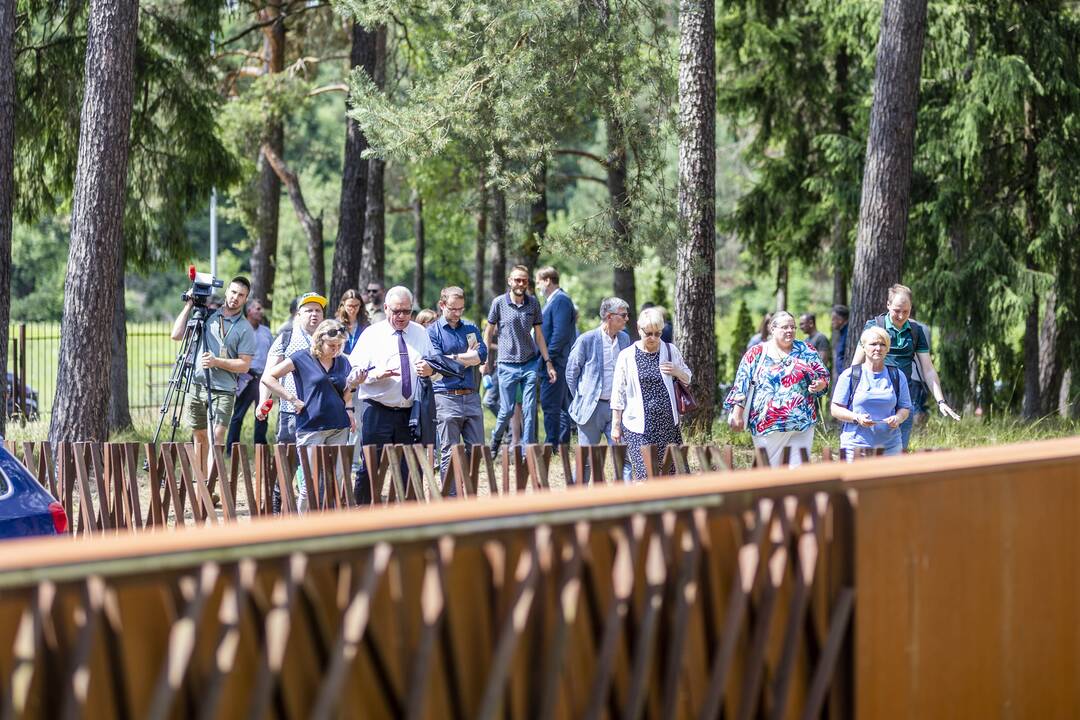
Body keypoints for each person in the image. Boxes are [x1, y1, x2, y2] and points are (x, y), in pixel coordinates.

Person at [348, 286, 436, 504]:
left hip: (410, 413)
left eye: (406, 311)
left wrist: (430, 371)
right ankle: (363, 513)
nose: (401, 317)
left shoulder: (420, 332)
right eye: (396, 311)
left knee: (411, 466)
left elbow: (435, 367)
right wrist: (373, 375)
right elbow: (352, 373)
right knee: (370, 465)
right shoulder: (371, 334)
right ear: (386, 308)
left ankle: (407, 516)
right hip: (377, 409)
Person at [261, 320, 359, 512]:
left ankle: (329, 525)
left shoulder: (342, 361)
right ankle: (302, 528)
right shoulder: (301, 358)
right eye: (332, 345)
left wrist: (354, 386)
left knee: (336, 479)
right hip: (311, 427)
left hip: (338, 426)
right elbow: (268, 377)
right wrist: (292, 399)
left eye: (339, 346)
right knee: (309, 483)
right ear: (320, 340)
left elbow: (345, 395)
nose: (336, 350)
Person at [851, 284, 960, 450]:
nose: (901, 316)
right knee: (871, 456)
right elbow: (856, 365)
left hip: (903, 402)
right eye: (896, 310)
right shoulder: (874, 327)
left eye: (906, 311)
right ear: (888, 305)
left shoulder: (916, 331)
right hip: (874, 399)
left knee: (898, 454)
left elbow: (928, 370)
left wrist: (941, 401)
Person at [724, 311, 830, 468]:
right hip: (768, 424)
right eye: (785, 327)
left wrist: (821, 384)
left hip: (802, 423)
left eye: (793, 327)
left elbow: (823, 376)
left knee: (798, 472)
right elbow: (741, 384)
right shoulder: (757, 352)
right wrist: (737, 414)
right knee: (768, 471)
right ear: (772, 329)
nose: (790, 331)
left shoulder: (806, 350)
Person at [170, 276, 256, 470]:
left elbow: (244, 365)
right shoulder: (207, 316)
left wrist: (218, 362)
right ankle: (200, 483)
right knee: (199, 436)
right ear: (227, 292)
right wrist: (189, 305)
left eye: (241, 295)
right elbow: (176, 335)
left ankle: (209, 487)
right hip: (197, 385)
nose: (235, 297)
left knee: (216, 437)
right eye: (233, 292)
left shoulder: (245, 328)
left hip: (223, 390)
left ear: (246, 299)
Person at [611, 308, 692, 481]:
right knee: (645, 476)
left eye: (658, 333)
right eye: (649, 334)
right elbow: (618, 392)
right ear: (639, 329)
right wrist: (616, 425)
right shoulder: (627, 356)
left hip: (668, 426)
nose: (654, 338)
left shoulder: (670, 350)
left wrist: (677, 371)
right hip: (637, 427)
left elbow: (688, 378)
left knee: (673, 475)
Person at [485, 265, 558, 454]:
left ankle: (527, 451)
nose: (521, 284)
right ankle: (496, 439)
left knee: (530, 408)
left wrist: (548, 361)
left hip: (529, 363)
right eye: (517, 280)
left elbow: (539, 335)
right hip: (507, 364)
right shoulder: (499, 303)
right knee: (506, 410)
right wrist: (484, 359)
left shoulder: (533, 303)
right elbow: (489, 331)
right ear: (510, 281)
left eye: (524, 280)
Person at [566, 297, 632, 483]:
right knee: (586, 460)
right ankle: (575, 502)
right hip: (591, 410)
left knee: (624, 458)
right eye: (624, 315)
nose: (627, 319)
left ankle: (628, 503)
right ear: (610, 316)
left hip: (617, 409)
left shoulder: (625, 339)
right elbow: (571, 373)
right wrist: (582, 398)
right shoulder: (586, 340)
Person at [428, 287, 488, 482]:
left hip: (471, 395)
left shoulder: (470, 329)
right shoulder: (432, 332)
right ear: (442, 305)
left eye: (461, 309)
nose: (457, 313)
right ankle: (450, 498)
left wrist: (452, 358)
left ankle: (468, 496)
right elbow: (437, 361)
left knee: (477, 449)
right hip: (445, 396)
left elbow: (481, 356)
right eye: (453, 309)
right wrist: (465, 358)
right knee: (449, 452)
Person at [830, 326, 912, 458]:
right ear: (863, 347)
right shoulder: (850, 375)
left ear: (888, 348)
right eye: (873, 344)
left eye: (882, 344)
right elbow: (835, 409)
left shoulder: (897, 375)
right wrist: (856, 418)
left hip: (891, 447)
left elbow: (905, 408)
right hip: (855, 448)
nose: (878, 348)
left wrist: (898, 418)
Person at [257, 292, 326, 445]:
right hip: (291, 411)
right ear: (299, 314)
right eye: (309, 310)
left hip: (323, 412)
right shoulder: (286, 339)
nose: (314, 314)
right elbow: (268, 374)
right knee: (288, 460)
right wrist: (263, 401)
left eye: (318, 310)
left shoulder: (329, 339)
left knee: (318, 463)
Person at [224, 299, 273, 453]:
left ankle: (261, 448)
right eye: (257, 308)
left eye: (261, 309)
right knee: (238, 414)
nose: (260, 311)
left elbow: (272, 353)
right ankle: (232, 448)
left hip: (263, 379)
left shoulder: (266, 331)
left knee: (262, 414)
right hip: (246, 378)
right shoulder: (241, 329)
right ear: (249, 311)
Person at [535, 266, 576, 448]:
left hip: (556, 362)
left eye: (538, 282)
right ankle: (560, 443)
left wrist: (547, 358)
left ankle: (553, 445)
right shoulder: (553, 301)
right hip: (553, 361)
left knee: (551, 405)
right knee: (556, 405)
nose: (537, 287)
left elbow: (560, 334)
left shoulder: (560, 301)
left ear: (547, 281)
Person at [335, 289, 368, 355]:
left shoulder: (366, 324)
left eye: (356, 305)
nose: (353, 309)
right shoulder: (336, 324)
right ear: (343, 304)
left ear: (360, 305)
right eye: (349, 306)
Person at [831, 304, 849, 379]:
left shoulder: (848, 332)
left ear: (840, 320)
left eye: (833, 319)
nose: (831, 322)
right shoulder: (842, 332)